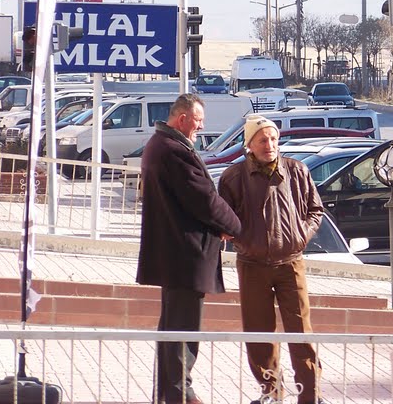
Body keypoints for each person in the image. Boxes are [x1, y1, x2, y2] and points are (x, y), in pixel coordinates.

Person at [137, 94, 242, 404]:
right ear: (181, 119)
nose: (201, 125)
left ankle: (171, 392)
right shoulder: (173, 150)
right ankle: (181, 393)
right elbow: (203, 199)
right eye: (197, 120)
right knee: (183, 329)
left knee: (172, 328)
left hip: (174, 254)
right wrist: (236, 227)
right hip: (185, 253)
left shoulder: (159, 145)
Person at [219, 116, 325, 404]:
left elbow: (316, 210)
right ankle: (270, 393)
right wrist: (243, 238)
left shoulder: (297, 170)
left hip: (291, 262)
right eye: (263, 140)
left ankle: (310, 395)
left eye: (274, 139)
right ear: (250, 144)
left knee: (301, 330)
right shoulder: (233, 177)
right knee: (258, 332)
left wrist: (301, 235)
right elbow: (224, 219)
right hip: (252, 264)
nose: (270, 145)